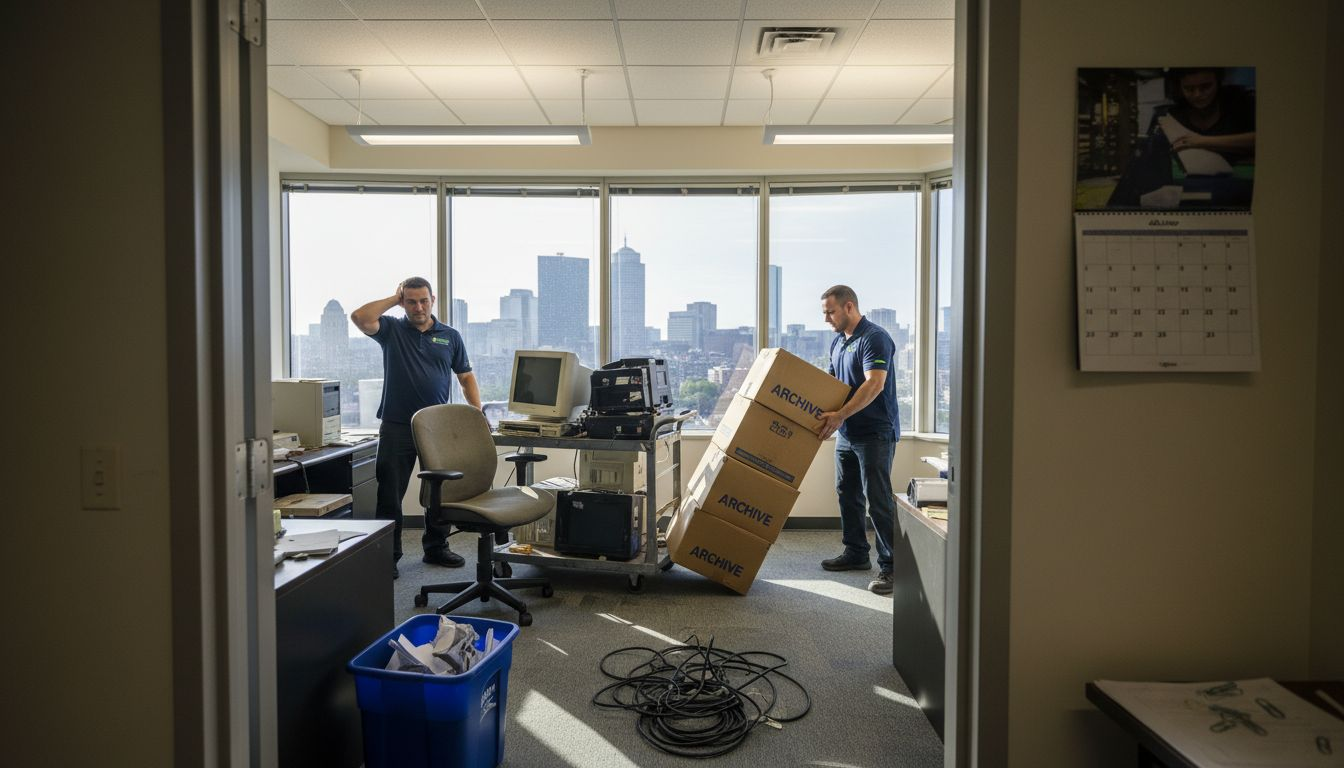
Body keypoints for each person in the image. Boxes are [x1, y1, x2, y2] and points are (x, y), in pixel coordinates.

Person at [350, 277, 482, 578]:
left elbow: (465, 377)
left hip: (438, 428)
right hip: (397, 425)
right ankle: (389, 557)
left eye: (423, 300)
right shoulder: (392, 330)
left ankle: (436, 547)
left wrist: (478, 414)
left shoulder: (450, 336)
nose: (418, 307)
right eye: (411, 301)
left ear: (433, 300)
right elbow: (360, 317)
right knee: (389, 494)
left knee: (440, 491)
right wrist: (393, 299)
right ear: (403, 301)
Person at [815, 285, 900, 595]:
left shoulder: (874, 338)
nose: (826, 318)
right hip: (848, 432)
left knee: (877, 499)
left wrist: (840, 415)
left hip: (875, 431)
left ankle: (892, 567)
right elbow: (832, 385)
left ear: (848, 307)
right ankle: (856, 552)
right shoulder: (838, 343)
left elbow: (874, 385)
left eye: (830, 311)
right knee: (847, 493)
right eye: (824, 312)